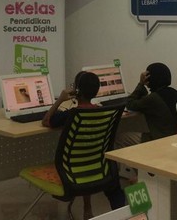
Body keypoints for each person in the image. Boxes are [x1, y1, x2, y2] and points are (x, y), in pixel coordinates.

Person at [42, 71, 125, 218]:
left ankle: (88, 208)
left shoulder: (71, 114)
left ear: (77, 90)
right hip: (99, 167)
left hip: (71, 171)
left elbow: (46, 121)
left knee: (81, 158)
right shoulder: (103, 112)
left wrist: (60, 100)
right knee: (113, 186)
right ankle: (122, 215)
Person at [124, 62, 177, 143]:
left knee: (121, 138)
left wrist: (141, 83)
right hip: (175, 137)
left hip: (160, 139)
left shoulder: (153, 98)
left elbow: (129, 104)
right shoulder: (173, 92)